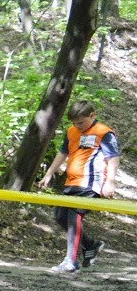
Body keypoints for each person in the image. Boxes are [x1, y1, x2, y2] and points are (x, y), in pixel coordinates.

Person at [36, 100, 120, 273]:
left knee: (74, 216)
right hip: (72, 182)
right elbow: (63, 153)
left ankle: (70, 261)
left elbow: (112, 158)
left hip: (92, 183)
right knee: (60, 216)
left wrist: (110, 181)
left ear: (92, 115)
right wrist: (49, 173)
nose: (77, 126)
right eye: (74, 123)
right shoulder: (71, 131)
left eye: (81, 122)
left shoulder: (103, 132)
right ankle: (90, 245)